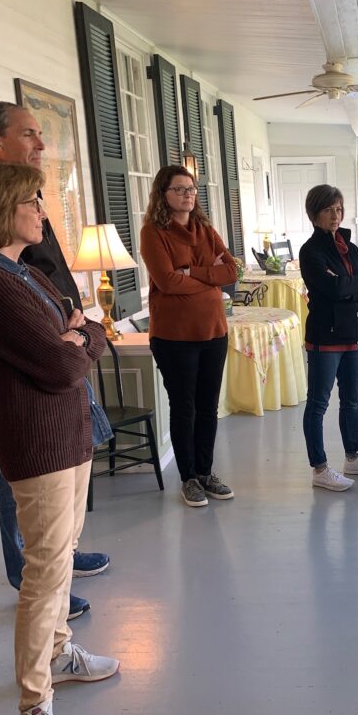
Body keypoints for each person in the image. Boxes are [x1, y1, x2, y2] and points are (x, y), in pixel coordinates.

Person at [0, 161, 119, 715]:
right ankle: (34, 707)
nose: (42, 210)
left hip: (68, 435)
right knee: (44, 575)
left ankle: (61, 654)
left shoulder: (25, 272)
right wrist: (78, 339)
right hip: (39, 444)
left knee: (60, 562)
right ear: (1, 207)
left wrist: (77, 334)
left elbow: (85, 330)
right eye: (33, 200)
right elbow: (64, 363)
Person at [0, 101, 110, 619]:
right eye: (30, 134)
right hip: (32, 341)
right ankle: (35, 571)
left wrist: (77, 326)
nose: (40, 144)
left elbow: (43, 267)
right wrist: (72, 338)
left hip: (58, 327)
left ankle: (59, 558)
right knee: (29, 461)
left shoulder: (24, 191)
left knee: (66, 453)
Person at [140, 164, 239, 507]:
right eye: (179, 189)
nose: (186, 195)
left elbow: (230, 271)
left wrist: (191, 272)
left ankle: (205, 473)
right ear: (163, 194)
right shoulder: (154, 232)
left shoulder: (205, 229)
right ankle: (188, 478)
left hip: (214, 330)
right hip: (173, 336)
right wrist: (208, 276)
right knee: (185, 408)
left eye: (191, 189)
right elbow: (166, 282)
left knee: (208, 407)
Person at [299, 184, 358, 491]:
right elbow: (331, 289)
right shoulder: (311, 251)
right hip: (326, 337)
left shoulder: (348, 245)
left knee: (351, 401)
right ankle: (320, 468)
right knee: (318, 403)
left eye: (339, 209)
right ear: (314, 214)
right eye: (328, 210)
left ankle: (353, 456)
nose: (335, 216)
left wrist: (346, 284)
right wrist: (350, 284)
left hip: (354, 335)